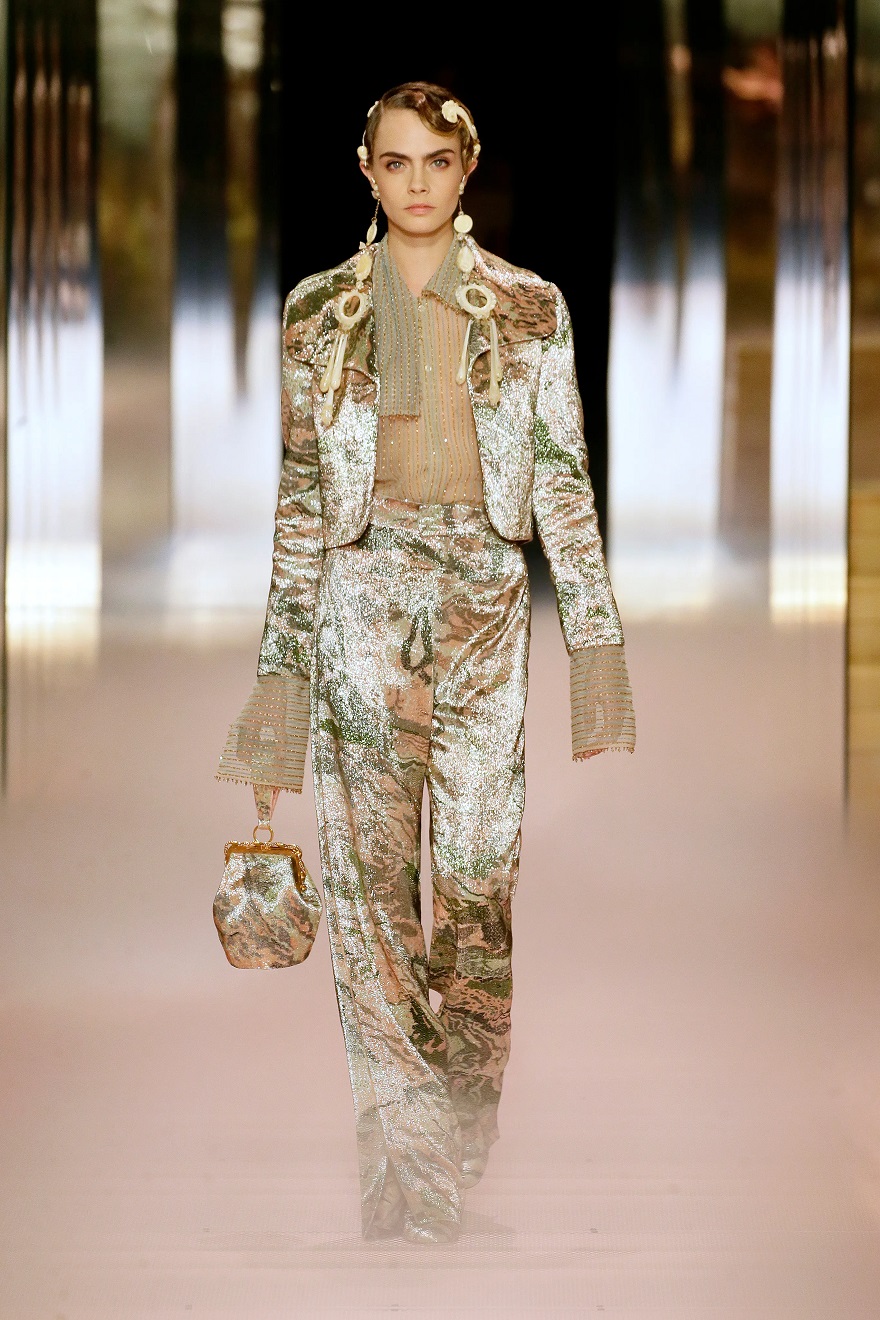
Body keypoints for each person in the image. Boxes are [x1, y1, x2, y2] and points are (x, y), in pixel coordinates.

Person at [217, 82, 635, 1245]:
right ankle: (406, 1172)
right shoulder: (316, 313)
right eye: (394, 162)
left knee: (479, 879)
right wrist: (279, 678)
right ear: (366, 171)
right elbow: (302, 498)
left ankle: (458, 1124)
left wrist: (594, 641)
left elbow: (563, 478)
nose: (415, 183)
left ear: (466, 169)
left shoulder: (530, 307)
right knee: (367, 896)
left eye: (434, 162)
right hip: (358, 602)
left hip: (484, 607)